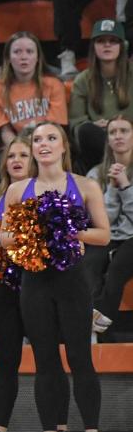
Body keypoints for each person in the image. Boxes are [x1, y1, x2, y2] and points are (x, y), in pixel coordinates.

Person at [1, 122, 111, 432]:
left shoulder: (85, 185)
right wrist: (31, 235)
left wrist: (69, 232)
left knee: (80, 358)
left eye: (51, 138)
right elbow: (5, 237)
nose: (44, 144)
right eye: (38, 140)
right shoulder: (18, 190)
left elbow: (104, 235)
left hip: (73, 281)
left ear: (64, 146)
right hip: (35, 281)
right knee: (45, 360)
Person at [0, 133, 73, 432]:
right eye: (11, 156)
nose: (16, 160)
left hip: (40, 282)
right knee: (6, 362)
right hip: (4, 285)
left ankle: (61, 431)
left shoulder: (48, 194)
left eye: (23, 155)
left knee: (49, 358)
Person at [86, 116, 133, 339]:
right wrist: (113, 188)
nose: (118, 136)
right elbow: (102, 220)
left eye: (124, 131)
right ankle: (92, 326)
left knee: (116, 270)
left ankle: (95, 324)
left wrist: (125, 186)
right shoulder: (95, 175)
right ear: (108, 140)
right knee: (89, 265)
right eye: (113, 132)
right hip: (107, 235)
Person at [0, 32, 69, 150]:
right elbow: (5, 132)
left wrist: (37, 147)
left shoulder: (54, 85)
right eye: (17, 52)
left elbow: (54, 129)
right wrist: (21, 149)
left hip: (49, 144)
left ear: (37, 58)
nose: (23, 57)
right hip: (15, 146)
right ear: (8, 58)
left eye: (29, 52)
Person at [69, 20, 133, 170]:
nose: (107, 45)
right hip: (100, 143)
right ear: (94, 47)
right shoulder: (82, 81)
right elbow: (77, 125)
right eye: (101, 41)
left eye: (113, 41)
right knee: (87, 131)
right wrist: (93, 126)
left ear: (122, 46)